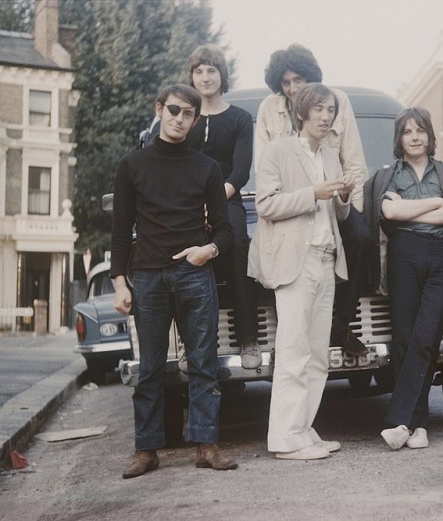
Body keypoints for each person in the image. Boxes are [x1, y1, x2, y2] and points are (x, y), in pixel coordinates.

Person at [111, 84, 237, 478]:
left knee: (203, 363)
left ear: (196, 120)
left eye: (188, 114)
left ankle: (206, 446)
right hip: (147, 276)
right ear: (160, 109)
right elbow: (119, 230)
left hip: (194, 273)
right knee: (149, 367)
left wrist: (207, 252)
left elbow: (225, 230)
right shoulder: (132, 165)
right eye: (174, 110)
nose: (180, 119)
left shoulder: (207, 168)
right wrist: (119, 282)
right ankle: (146, 450)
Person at [364, 107, 443, 450]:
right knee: (404, 336)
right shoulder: (390, 175)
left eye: (420, 131)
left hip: (439, 256)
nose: (415, 137)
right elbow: (389, 212)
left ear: (430, 136)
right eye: (407, 131)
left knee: (427, 335)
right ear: (399, 139)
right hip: (403, 255)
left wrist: (412, 210)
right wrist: (436, 204)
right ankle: (417, 426)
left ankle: (399, 420)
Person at [248, 83, 354, 460]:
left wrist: (341, 197)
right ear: (302, 113)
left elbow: (338, 213)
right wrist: (314, 193)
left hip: (327, 259)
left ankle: (303, 430)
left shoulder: (330, 155)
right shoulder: (278, 150)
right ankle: (283, 438)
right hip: (296, 261)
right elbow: (265, 204)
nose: (326, 116)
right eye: (320, 109)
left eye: (331, 110)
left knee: (317, 354)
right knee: (292, 351)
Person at [255, 43, 371, 356]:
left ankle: (343, 325)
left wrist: (349, 207)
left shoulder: (337, 101)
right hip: (291, 205)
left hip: (333, 205)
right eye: (286, 83)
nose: (293, 88)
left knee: (360, 237)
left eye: (299, 80)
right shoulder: (269, 109)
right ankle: (286, 338)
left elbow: (354, 161)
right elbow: (263, 166)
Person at [185, 44, 261, 370]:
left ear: (222, 75)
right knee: (182, 256)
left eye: (211, 70)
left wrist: (213, 203)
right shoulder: (183, 118)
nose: (205, 77)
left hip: (228, 201)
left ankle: (249, 339)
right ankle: (195, 347)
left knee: (239, 245)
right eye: (199, 71)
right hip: (187, 206)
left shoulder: (240, 119)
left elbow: (240, 172)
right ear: (191, 76)